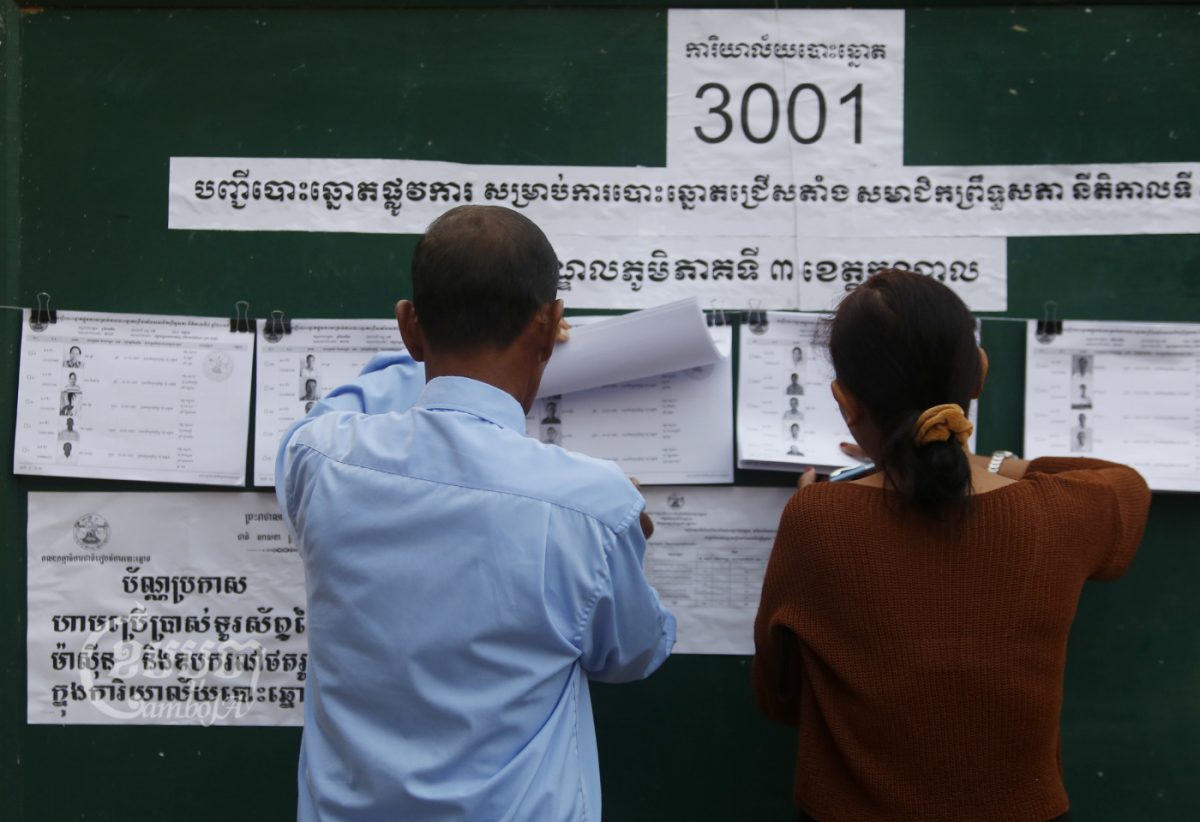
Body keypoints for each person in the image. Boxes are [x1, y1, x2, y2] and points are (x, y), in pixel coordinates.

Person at [276, 205, 675, 822]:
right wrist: (622, 539)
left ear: (410, 327)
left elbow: (326, 414)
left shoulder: (317, 461)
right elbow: (633, 653)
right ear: (549, 326)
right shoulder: (594, 507)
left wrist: (411, 359)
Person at [752, 268, 1150, 822]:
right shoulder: (1060, 511)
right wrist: (996, 465)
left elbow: (779, 696)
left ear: (846, 403)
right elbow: (1126, 486)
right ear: (980, 375)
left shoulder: (817, 518)